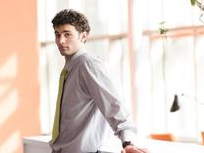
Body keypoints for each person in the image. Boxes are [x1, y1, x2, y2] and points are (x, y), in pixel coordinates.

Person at [49, 9, 149, 153]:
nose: (61, 40)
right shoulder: (70, 69)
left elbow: (114, 105)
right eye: (57, 35)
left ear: (83, 36)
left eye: (67, 34)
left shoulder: (87, 64)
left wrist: (127, 142)